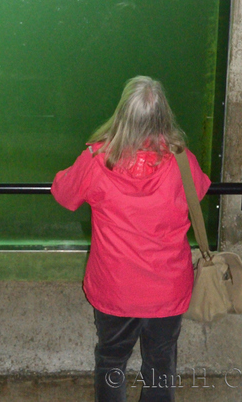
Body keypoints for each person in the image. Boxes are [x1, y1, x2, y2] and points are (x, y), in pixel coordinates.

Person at [51, 76, 211, 402]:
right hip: (167, 288)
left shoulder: (97, 161)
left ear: (122, 113)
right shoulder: (183, 162)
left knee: (111, 359)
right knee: (160, 366)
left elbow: (64, 195)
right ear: (164, 115)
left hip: (115, 287)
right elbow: (201, 189)